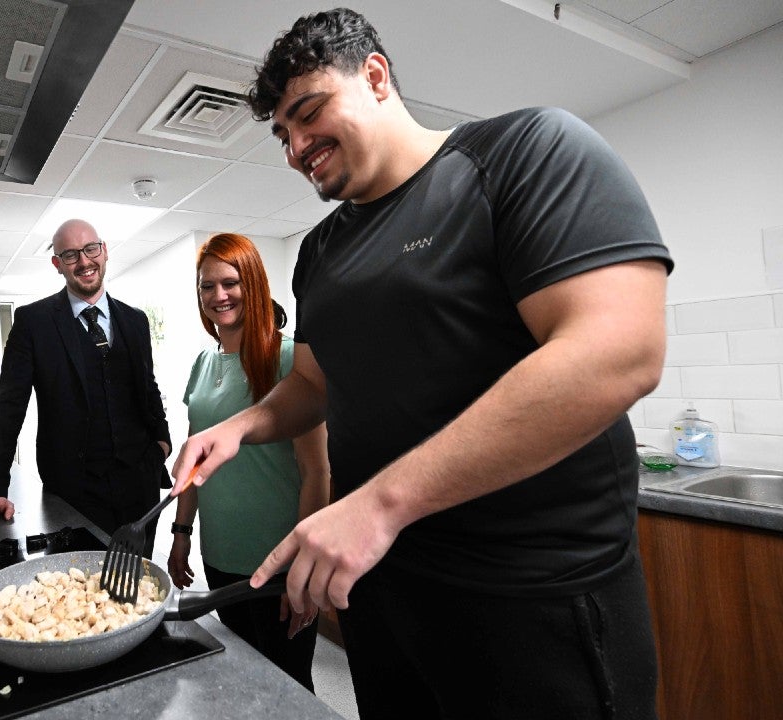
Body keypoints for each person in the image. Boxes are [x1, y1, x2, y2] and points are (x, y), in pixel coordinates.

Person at [169, 9, 673, 720]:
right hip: (383, 590)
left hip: (532, 599)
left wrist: (377, 504)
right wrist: (243, 427)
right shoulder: (319, 253)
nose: (295, 147)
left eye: (308, 114)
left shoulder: (525, 154)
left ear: (375, 77)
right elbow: (313, 384)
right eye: (282, 133)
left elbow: (618, 351)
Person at [168, 232, 329, 691]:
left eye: (230, 282)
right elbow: (195, 457)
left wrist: (305, 565)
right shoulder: (203, 362)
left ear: (253, 284)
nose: (219, 295)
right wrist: (182, 535)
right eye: (207, 286)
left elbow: (316, 471)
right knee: (241, 680)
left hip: (278, 562)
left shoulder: (289, 358)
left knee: (287, 687)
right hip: (221, 557)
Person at [0, 219, 172, 556]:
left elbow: (148, 387)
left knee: (137, 582)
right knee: (78, 591)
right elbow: (8, 406)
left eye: (90, 249)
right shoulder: (33, 322)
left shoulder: (135, 320)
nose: (84, 261)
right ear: (57, 264)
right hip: (74, 491)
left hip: (139, 484)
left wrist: (163, 440)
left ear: (104, 251)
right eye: (70, 255)